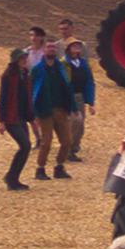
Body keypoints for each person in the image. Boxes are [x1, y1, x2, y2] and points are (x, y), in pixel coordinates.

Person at [30, 41, 79, 180]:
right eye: (48, 47)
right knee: (46, 141)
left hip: (61, 109)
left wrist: (73, 107)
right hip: (44, 110)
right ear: (43, 50)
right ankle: (40, 169)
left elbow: (68, 87)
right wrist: (33, 112)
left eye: (53, 47)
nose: (51, 50)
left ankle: (59, 167)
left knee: (67, 140)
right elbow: (31, 91)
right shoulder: (37, 69)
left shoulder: (61, 67)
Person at [0, 47, 34, 192]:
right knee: (25, 145)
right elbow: (3, 99)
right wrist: (1, 121)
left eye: (25, 58)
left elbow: (27, 98)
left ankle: (13, 178)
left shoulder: (25, 75)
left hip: (22, 117)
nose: (24, 60)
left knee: (26, 147)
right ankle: (11, 178)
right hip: (11, 118)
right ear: (15, 61)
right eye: (21, 58)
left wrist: (31, 118)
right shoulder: (8, 76)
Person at [65, 38, 98, 163]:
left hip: (80, 97)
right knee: (74, 123)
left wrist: (90, 102)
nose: (77, 47)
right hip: (68, 97)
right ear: (69, 48)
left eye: (78, 45)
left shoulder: (83, 63)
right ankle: (67, 149)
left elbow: (89, 81)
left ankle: (73, 149)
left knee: (80, 125)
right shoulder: (64, 63)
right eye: (74, 46)